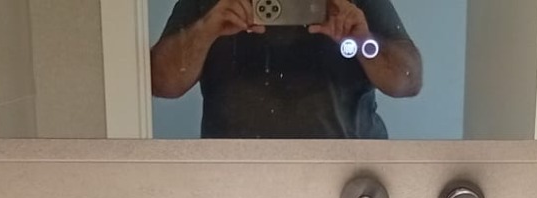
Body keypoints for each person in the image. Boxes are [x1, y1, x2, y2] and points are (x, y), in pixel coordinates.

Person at [150, 0, 422, 140]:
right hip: (236, 174)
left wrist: (363, 41)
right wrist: (206, 29)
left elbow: (407, 81)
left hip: (346, 176)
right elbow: (161, 82)